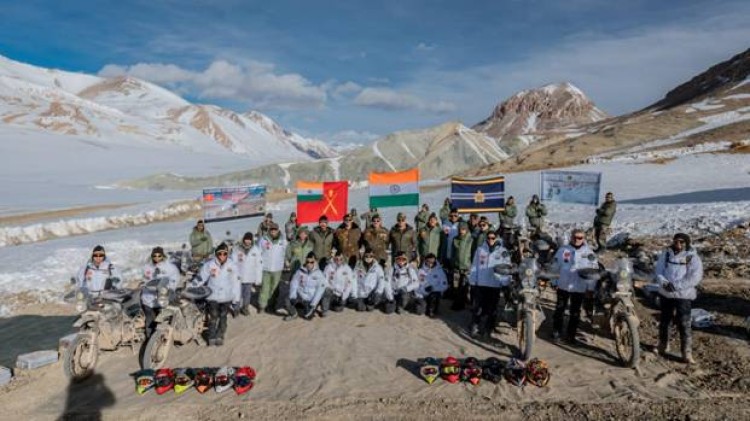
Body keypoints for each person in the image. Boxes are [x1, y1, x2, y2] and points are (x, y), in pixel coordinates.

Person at [655, 233, 703, 364]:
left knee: (684, 323)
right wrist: (664, 283)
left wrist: (676, 286)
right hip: (666, 293)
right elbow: (659, 270)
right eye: (676, 241)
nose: (678, 244)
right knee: (665, 320)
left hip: (683, 295)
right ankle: (663, 345)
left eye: (682, 242)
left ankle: (686, 352)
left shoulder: (691, 257)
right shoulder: (666, 254)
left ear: (687, 243)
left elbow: (695, 277)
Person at [551, 228, 598, 344]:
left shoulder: (589, 253)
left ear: (584, 238)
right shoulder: (563, 250)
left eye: (580, 238)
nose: (577, 240)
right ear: (571, 237)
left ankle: (570, 336)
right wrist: (553, 282)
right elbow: (555, 267)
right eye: (575, 237)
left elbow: (593, 272)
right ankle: (556, 333)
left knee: (575, 313)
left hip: (579, 287)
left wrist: (590, 288)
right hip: (563, 285)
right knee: (559, 310)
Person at [194, 243, 241, 346]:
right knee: (213, 316)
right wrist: (192, 286)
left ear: (227, 254)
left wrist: (236, 299)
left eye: (224, 254)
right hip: (213, 296)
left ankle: (220, 335)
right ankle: (211, 337)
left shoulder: (232, 265)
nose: (222, 256)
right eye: (220, 254)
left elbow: (236, 283)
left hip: (226, 296)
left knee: (223, 316)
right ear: (216, 254)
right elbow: (201, 278)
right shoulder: (209, 265)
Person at [468, 232, 511, 337]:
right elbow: (474, 266)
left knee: (491, 309)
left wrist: (505, 282)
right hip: (481, 283)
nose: (491, 239)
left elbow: (507, 268)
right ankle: (475, 325)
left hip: (494, 283)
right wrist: (472, 281)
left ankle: (488, 327)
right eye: (489, 237)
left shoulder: (503, 252)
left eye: (493, 238)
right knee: (478, 307)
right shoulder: (480, 250)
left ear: (497, 238)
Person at [141, 247, 181, 336]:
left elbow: (175, 279)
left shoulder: (170, 267)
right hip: (148, 298)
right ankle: (150, 340)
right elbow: (144, 280)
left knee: (164, 319)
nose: (157, 257)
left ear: (163, 256)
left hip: (163, 298)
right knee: (150, 321)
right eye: (154, 256)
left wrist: (169, 288)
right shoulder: (146, 267)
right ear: (152, 256)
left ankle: (164, 337)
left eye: (159, 255)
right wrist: (145, 284)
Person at [284, 252, 327, 321]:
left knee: (308, 317)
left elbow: (319, 291)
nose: (309, 264)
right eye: (307, 262)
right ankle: (293, 314)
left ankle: (310, 308)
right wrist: (293, 296)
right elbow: (294, 283)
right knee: (287, 299)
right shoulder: (300, 271)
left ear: (315, 262)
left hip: (310, 299)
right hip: (300, 296)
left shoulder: (319, 274)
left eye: (311, 262)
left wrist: (313, 304)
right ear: (305, 261)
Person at [258, 223, 287, 313]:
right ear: (269, 230)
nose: (273, 231)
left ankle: (271, 305)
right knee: (264, 288)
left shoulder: (283, 241)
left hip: (277, 269)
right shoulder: (263, 240)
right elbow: (258, 253)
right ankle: (262, 306)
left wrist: (286, 262)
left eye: (275, 230)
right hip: (265, 268)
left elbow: (286, 253)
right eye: (271, 230)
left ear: (278, 230)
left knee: (274, 289)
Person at [232, 232, 263, 315]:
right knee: (237, 293)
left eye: (249, 239)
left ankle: (245, 308)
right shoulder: (237, 249)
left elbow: (258, 265)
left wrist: (258, 278)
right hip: (239, 276)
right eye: (246, 239)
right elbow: (233, 263)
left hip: (250, 277)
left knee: (247, 294)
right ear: (243, 239)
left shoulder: (255, 250)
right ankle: (236, 309)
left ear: (251, 240)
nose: (247, 241)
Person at [417, 253, 448, 317]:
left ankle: (432, 310)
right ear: (425, 261)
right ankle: (422, 305)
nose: (430, 263)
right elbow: (416, 285)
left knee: (434, 295)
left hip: (434, 294)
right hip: (423, 294)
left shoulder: (439, 271)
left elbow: (444, 285)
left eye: (432, 261)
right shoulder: (420, 271)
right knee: (419, 311)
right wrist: (423, 291)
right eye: (428, 261)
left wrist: (433, 288)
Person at [451, 222, 473, 311]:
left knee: (464, 286)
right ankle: (457, 302)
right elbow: (453, 252)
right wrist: (452, 262)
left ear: (466, 229)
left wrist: (471, 264)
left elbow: (473, 252)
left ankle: (461, 304)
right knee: (456, 286)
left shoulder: (471, 239)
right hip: (457, 265)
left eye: (463, 229)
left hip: (466, 266)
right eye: (460, 229)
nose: (461, 231)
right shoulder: (455, 239)